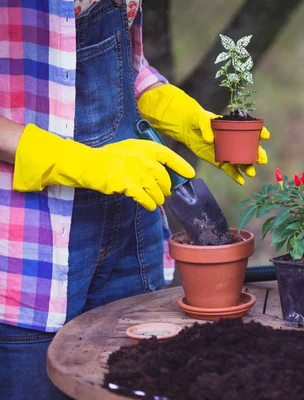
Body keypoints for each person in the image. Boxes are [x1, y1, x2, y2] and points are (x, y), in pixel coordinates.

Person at [0, 1, 270, 398]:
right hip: (33, 252)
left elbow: (116, 63)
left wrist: (173, 108)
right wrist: (64, 160)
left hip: (130, 230)